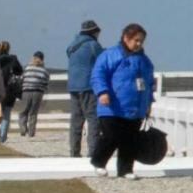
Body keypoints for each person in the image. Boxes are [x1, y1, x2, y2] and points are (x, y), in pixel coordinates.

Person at [90, 23, 154, 180]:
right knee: (111, 136)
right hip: (111, 107)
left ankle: (125, 169)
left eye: (141, 41)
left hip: (135, 108)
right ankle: (99, 162)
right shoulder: (109, 55)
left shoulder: (145, 61)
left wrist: (148, 103)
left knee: (130, 140)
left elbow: (149, 84)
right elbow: (98, 75)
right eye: (136, 40)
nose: (139, 44)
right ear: (126, 38)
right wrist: (102, 92)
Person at [66, 19, 104, 157]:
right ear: (94, 32)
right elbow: (103, 63)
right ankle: (93, 152)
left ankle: (74, 152)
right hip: (89, 87)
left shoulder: (72, 46)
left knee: (76, 121)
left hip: (73, 87)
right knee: (93, 119)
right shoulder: (93, 45)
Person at [0, 41, 22, 143]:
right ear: (8, 48)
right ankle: (3, 136)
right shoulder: (13, 58)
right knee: (6, 114)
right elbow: (20, 71)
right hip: (9, 90)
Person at [18, 51, 50, 137]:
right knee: (33, 112)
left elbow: (21, 79)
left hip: (26, 91)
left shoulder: (27, 68)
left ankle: (23, 128)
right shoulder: (44, 71)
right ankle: (31, 132)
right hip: (38, 93)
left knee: (23, 111)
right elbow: (46, 83)